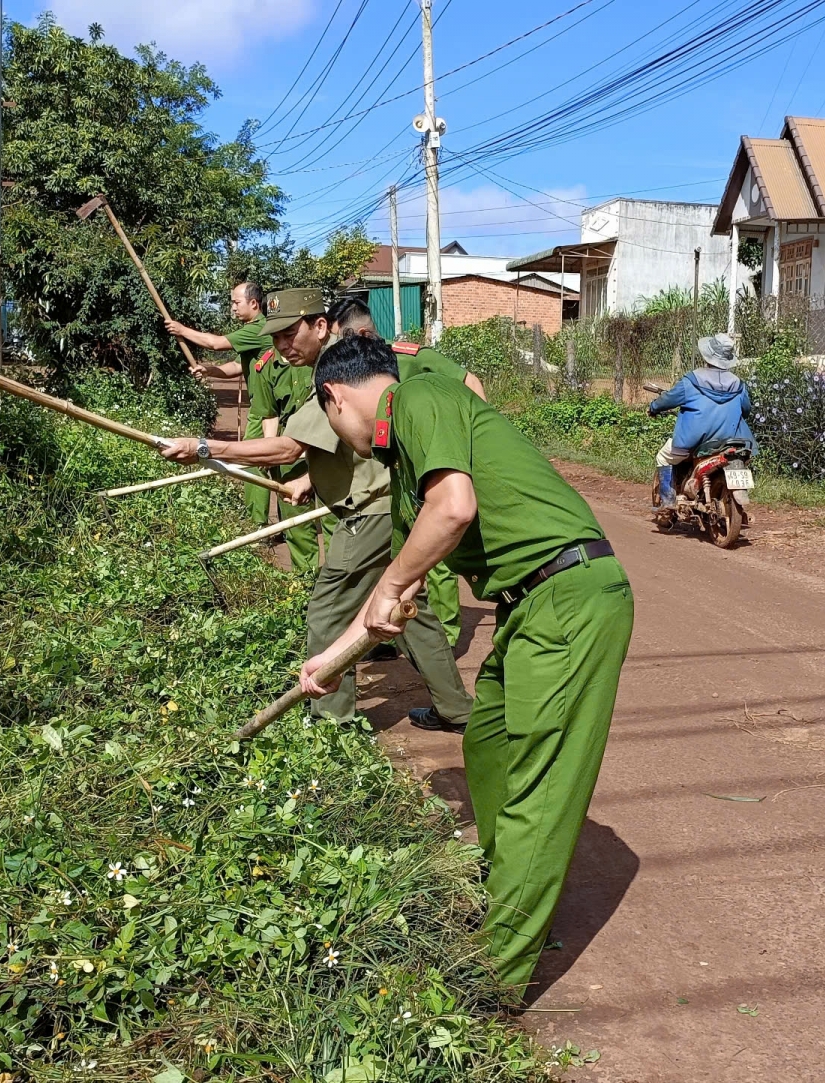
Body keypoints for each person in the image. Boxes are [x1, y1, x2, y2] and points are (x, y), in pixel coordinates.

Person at [304, 333, 635, 1001]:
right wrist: (330, 663)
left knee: (536, 786)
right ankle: (505, 889)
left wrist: (396, 583)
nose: (339, 438)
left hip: (570, 593)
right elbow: (394, 591)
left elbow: (454, 507)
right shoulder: (407, 475)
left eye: (331, 425)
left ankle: (492, 980)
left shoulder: (420, 395)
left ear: (335, 398)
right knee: (488, 746)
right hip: (528, 605)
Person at [158, 288, 474, 734]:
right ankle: (456, 709)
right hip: (392, 506)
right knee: (411, 609)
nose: (284, 346)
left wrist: (206, 448)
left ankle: (333, 722)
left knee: (329, 613)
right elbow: (346, 440)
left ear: (320, 326)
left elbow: (289, 445)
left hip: (371, 513)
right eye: (276, 338)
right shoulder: (338, 361)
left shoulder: (335, 368)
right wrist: (311, 477)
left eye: (291, 333)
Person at [322, 298, 482, 649]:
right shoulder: (350, 373)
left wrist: (468, 449)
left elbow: (470, 383)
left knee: (437, 553)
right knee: (407, 552)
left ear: (364, 333)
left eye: (343, 340)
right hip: (402, 472)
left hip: (437, 466)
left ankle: (447, 635)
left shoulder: (407, 359)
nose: (339, 350)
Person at [167, 282, 319, 573]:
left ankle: (261, 524)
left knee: (260, 464)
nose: (232, 307)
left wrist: (181, 330)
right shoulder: (258, 336)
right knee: (259, 467)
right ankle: (264, 522)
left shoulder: (259, 329)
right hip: (263, 408)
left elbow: (215, 343)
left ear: (254, 304)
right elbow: (237, 367)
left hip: (272, 411)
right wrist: (210, 371)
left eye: (236, 302)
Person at [646, 332, 755, 508]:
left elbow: (668, 399)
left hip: (692, 443)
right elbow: (746, 410)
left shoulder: (691, 380)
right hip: (728, 442)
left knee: (663, 457)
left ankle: (667, 502)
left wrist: (653, 407)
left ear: (707, 355)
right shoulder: (738, 384)